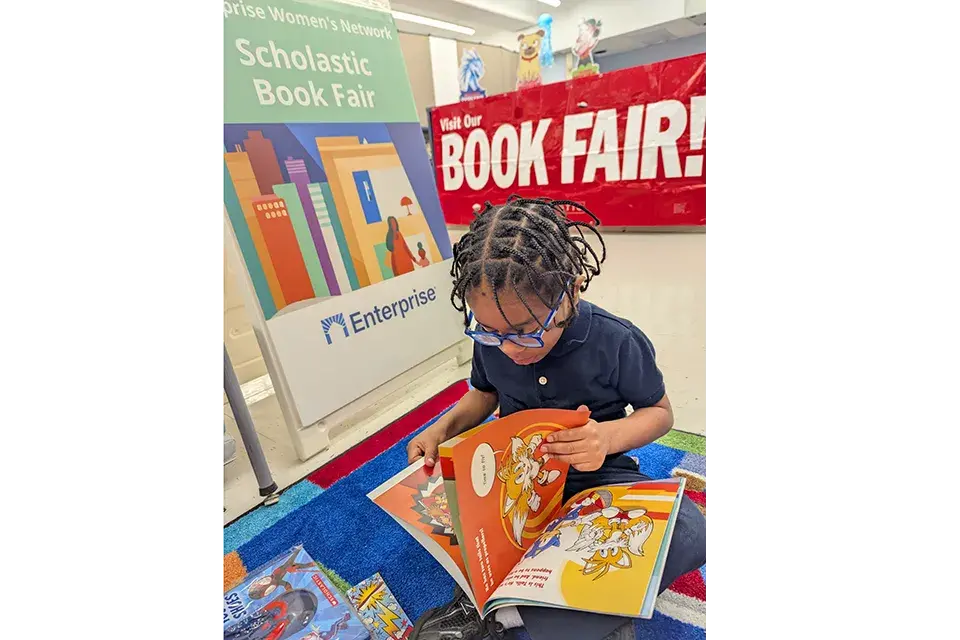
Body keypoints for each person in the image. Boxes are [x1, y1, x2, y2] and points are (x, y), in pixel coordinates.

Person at [406, 196, 706, 640]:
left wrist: (605, 438)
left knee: (691, 531)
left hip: (596, 484)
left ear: (571, 290)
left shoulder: (616, 341)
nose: (507, 347)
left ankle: (505, 617)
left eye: (526, 332)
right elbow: (483, 394)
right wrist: (441, 430)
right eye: (489, 331)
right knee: (458, 526)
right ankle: (571, 612)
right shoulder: (495, 336)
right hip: (514, 489)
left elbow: (659, 414)